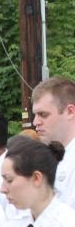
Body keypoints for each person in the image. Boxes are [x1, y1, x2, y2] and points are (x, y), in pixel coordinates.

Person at [31, 76, 75, 207]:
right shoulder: (46, 159)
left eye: (43, 115)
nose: (35, 122)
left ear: (70, 111)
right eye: (35, 115)